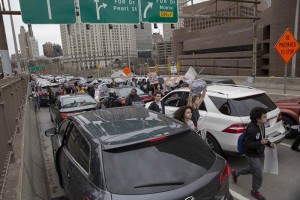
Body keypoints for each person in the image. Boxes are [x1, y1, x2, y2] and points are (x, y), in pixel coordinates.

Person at [231, 107, 276, 200]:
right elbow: (248, 145)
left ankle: (236, 172)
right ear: (257, 118)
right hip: (251, 154)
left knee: (253, 169)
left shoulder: (262, 125)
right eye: (264, 117)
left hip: (258, 151)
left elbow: (262, 138)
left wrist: (269, 144)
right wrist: (260, 143)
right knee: (258, 174)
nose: (266, 118)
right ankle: (255, 191)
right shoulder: (252, 129)